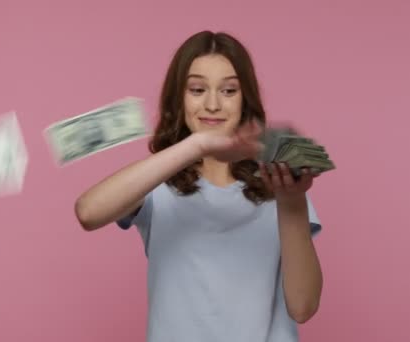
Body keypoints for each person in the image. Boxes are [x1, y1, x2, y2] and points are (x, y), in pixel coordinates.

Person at [74, 30, 324, 342]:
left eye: (229, 90)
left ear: (245, 99)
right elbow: (87, 211)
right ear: (178, 98)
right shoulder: (157, 182)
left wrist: (292, 203)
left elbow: (302, 306)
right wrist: (199, 145)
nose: (213, 104)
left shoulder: (280, 182)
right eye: (197, 89)